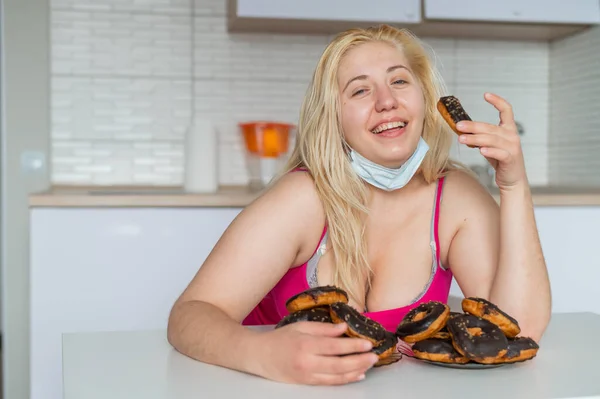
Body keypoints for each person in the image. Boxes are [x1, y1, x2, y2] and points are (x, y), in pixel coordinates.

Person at [167, 24, 551, 386]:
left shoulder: (455, 196)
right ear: (333, 117)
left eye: (399, 81)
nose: (387, 101)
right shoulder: (302, 198)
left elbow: (518, 330)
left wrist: (513, 185)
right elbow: (189, 315)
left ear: (424, 98)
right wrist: (263, 353)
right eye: (359, 91)